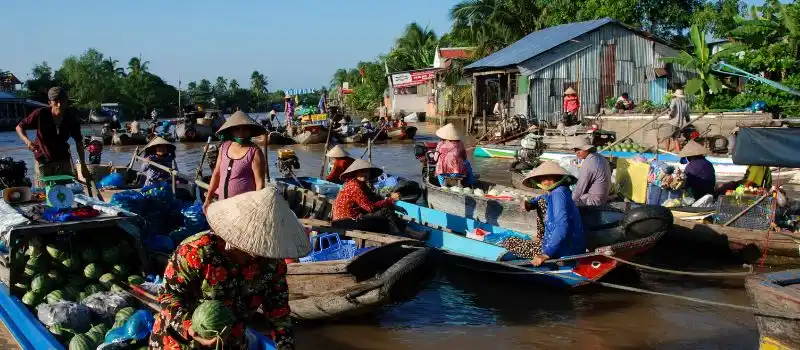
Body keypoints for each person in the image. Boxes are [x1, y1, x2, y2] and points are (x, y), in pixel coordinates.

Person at [149, 187, 309, 350]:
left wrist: (285, 345)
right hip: (181, 341)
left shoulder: (273, 264)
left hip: (231, 341)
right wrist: (190, 327)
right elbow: (168, 296)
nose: (263, 252)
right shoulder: (197, 252)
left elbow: (278, 311)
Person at [503, 161, 586, 266]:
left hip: (563, 250)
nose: (546, 181)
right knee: (540, 202)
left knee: (508, 241)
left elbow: (562, 225)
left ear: (558, 178)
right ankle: (542, 239)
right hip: (566, 245)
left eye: (550, 178)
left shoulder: (558, 194)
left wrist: (546, 254)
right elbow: (542, 198)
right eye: (543, 178)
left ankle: (550, 252)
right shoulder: (559, 191)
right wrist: (530, 203)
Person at [15, 87, 89, 187]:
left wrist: (83, 165)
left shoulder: (71, 119)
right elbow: (19, 127)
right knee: (44, 193)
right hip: (43, 160)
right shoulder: (40, 114)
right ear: (50, 102)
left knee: (65, 192)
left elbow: (79, 142)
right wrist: (27, 141)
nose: (60, 105)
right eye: (56, 102)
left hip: (63, 160)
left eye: (63, 101)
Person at [204, 111, 267, 213]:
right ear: (232, 131)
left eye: (245, 129)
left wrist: (256, 208)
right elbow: (216, 174)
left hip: (245, 208)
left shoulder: (255, 152)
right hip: (223, 204)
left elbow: (260, 184)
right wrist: (208, 199)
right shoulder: (224, 147)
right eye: (237, 129)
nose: (241, 132)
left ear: (250, 131)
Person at [331, 159, 405, 233]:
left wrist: (391, 203)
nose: (365, 173)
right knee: (384, 217)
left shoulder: (362, 185)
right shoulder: (354, 186)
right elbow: (370, 208)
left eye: (367, 171)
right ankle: (403, 234)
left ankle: (400, 230)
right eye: (362, 171)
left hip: (354, 218)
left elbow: (373, 198)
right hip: (344, 222)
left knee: (385, 213)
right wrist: (390, 200)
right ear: (355, 173)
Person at [571, 137, 612, 206]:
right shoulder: (599, 157)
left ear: (588, 149)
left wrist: (570, 202)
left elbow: (580, 188)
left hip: (595, 200)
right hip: (603, 197)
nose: (577, 152)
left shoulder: (589, 163)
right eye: (575, 150)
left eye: (580, 150)